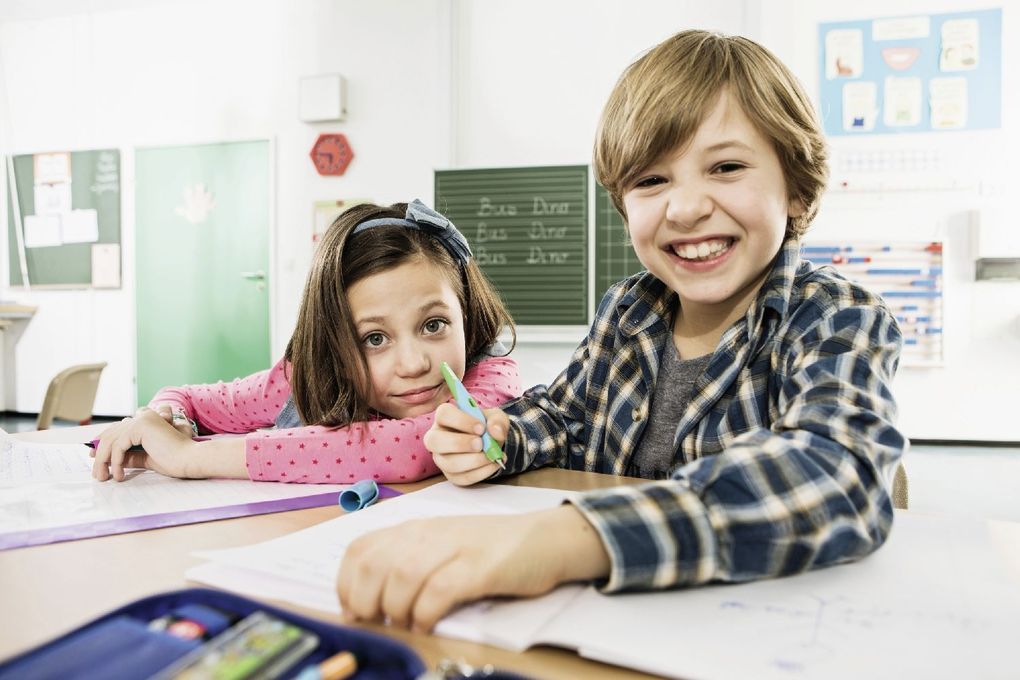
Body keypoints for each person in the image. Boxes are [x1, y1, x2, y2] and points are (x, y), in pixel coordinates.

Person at [337, 30, 906, 632]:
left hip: (747, 630)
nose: (685, 209)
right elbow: (564, 417)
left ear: (794, 186)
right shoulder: (628, 310)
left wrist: (565, 538)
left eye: (727, 166)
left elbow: (835, 471)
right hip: (597, 623)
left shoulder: (837, 315)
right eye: (652, 180)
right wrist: (499, 434)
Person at [91, 200, 520, 484]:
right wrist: (167, 418)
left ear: (464, 311)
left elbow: (413, 447)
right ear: (333, 344)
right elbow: (192, 397)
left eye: (433, 326)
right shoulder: (316, 373)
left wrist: (188, 459)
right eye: (374, 338)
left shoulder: (493, 380)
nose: (412, 364)